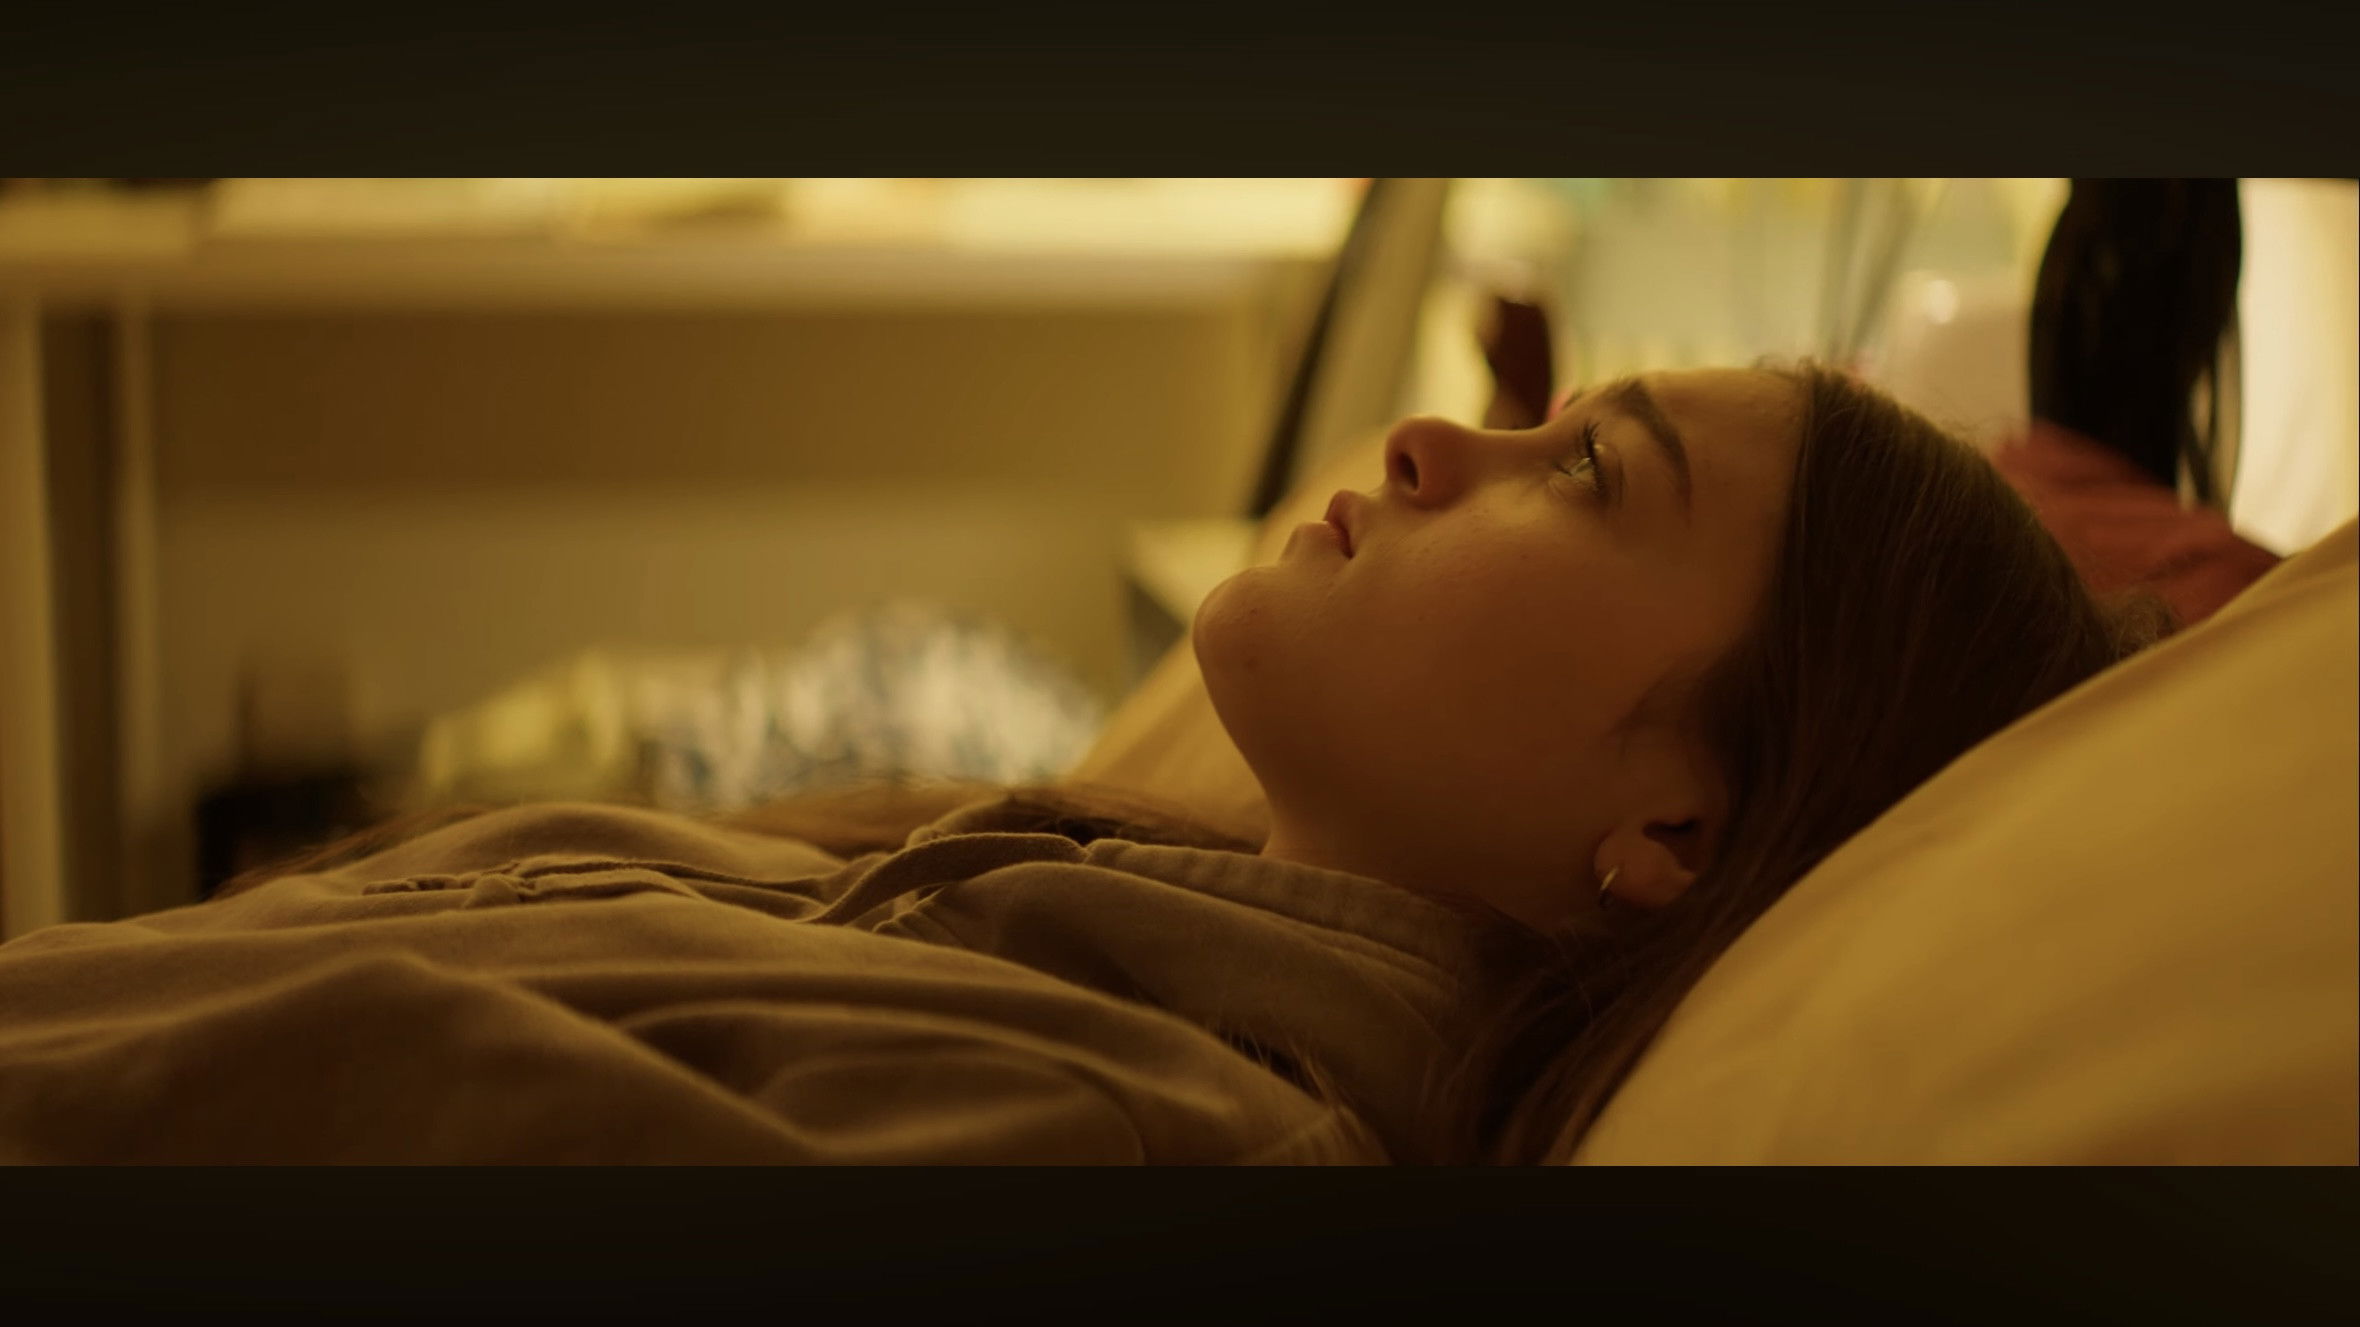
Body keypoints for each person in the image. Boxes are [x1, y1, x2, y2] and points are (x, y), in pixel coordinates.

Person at [0, 363, 2162, 1166]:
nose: (1434, 436)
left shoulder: (1098, 1134)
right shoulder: (1027, 907)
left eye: (1590, 469)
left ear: (1675, 826)